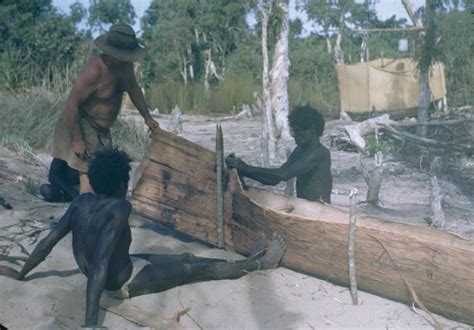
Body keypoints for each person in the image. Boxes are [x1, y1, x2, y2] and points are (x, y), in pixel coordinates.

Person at [8, 148, 286, 328]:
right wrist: (90, 323)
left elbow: (48, 242)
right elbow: (101, 263)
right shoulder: (120, 207)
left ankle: (250, 259)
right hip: (121, 283)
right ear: (120, 185)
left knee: (186, 257)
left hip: (122, 266)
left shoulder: (81, 203)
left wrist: (22, 274)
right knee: (193, 268)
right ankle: (261, 264)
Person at [50, 23, 160, 195]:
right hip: (82, 121)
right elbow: (72, 105)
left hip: (103, 130)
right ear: (111, 52)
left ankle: (68, 193)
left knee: (106, 171)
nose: (126, 58)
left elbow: (134, 89)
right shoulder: (94, 70)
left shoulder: (126, 67)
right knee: (87, 170)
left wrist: (148, 118)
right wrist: (78, 140)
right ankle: (85, 207)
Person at [226, 105, 332, 203]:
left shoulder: (320, 153)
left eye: (298, 131)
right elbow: (274, 180)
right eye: (293, 131)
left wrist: (246, 168)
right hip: (305, 207)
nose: (294, 135)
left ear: (312, 130)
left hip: (319, 210)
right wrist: (244, 171)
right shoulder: (300, 150)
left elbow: (283, 174)